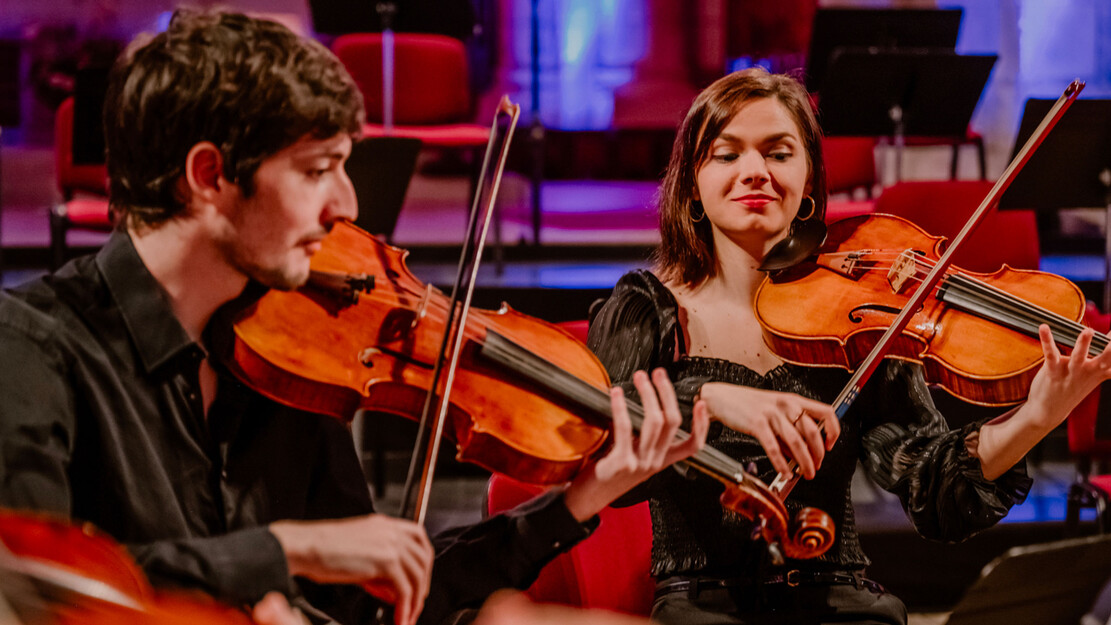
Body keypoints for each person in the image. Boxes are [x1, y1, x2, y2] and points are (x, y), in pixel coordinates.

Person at [0, 10, 709, 625]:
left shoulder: (294, 346)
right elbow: (35, 583)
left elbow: (371, 597)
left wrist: (577, 502)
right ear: (209, 175)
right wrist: (286, 551)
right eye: (317, 169)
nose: (346, 203)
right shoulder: (33, 346)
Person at [585, 67, 1111, 625]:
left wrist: (1035, 417)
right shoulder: (647, 309)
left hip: (841, 601)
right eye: (727, 154)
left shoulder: (856, 315)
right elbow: (602, 442)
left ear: (809, 180)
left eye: (779, 153)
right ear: (692, 183)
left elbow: (933, 488)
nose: (755, 171)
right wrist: (711, 399)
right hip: (701, 606)